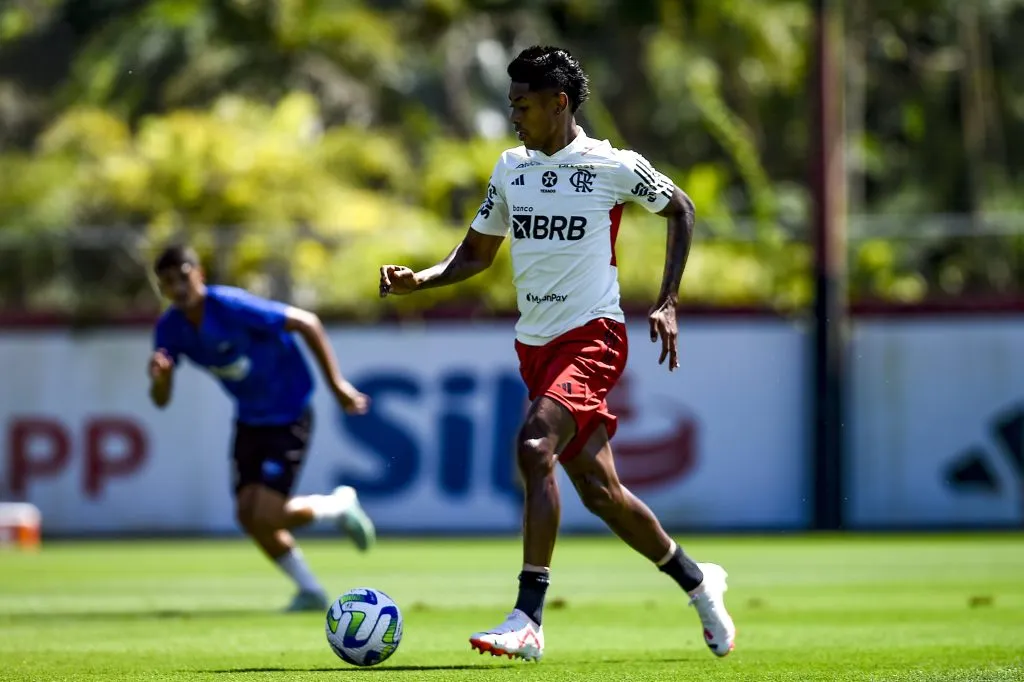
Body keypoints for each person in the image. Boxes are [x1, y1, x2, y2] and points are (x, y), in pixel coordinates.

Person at [378, 45, 735, 661]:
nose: (513, 116)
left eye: (522, 105)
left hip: (594, 337)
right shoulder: (510, 168)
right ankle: (699, 583)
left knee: (533, 444)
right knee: (601, 494)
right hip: (536, 346)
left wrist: (667, 299)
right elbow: (476, 254)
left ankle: (528, 620)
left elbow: (681, 206)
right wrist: (423, 280)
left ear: (557, 103)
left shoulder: (610, 165)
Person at [148, 244, 376, 612]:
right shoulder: (170, 329)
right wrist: (160, 378)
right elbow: (161, 399)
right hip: (250, 418)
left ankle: (337, 506)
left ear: (200, 274)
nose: (177, 288)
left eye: (183, 276)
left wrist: (337, 386)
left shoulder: (231, 306)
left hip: (289, 411)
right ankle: (311, 592)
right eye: (167, 282)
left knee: (267, 514)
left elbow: (307, 323)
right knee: (246, 515)